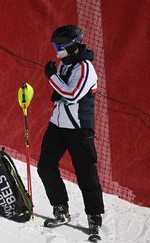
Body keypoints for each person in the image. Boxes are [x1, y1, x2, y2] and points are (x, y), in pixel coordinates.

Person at [37, 25, 105, 230]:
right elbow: (63, 92)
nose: (56, 50)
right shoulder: (64, 64)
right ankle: (60, 208)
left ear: (71, 46)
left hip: (79, 129)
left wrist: (52, 78)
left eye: (59, 46)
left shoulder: (85, 68)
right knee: (45, 167)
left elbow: (73, 94)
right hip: (57, 125)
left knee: (85, 172)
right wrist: (56, 87)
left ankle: (94, 216)